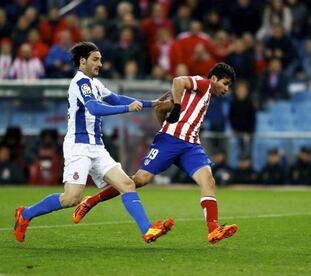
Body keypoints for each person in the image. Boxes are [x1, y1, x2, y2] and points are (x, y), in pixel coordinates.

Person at [14, 42, 173, 243]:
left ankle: (147, 230)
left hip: (96, 147)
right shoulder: (80, 83)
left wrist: (152, 104)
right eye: (95, 59)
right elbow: (95, 108)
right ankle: (25, 214)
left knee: (127, 184)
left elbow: (116, 98)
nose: (100, 63)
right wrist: (128, 109)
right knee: (71, 198)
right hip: (78, 146)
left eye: (100, 59)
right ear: (83, 61)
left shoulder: (95, 83)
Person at [73, 62, 238, 244]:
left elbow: (160, 109)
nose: (226, 89)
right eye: (225, 83)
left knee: (208, 180)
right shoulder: (203, 83)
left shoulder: (201, 96)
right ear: (214, 79)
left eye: (229, 85)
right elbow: (178, 81)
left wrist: (169, 116)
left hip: (191, 145)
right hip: (169, 141)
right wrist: (175, 111)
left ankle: (213, 230)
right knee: (139, 180)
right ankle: (91, 201)